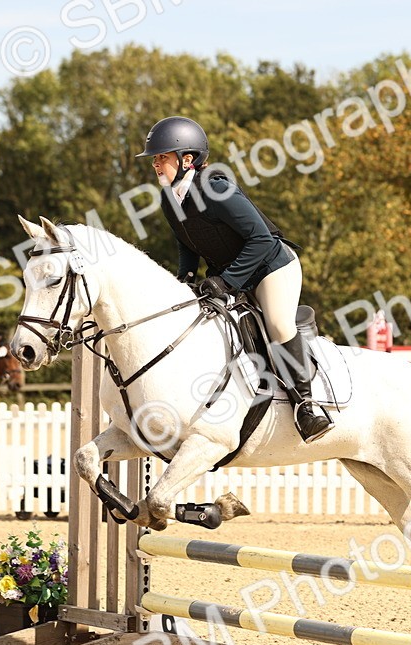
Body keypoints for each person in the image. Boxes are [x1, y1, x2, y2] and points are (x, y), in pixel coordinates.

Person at [136, 116, 333, 443]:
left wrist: (226, 282)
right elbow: (187, 242)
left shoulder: (216, 189)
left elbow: (261, 240)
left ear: (188, 160)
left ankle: (307, 405)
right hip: (230, 273)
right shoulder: (170, 199)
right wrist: (184, 278)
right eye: (155, 158)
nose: (156, 164)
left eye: (162, 157)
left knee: (279, 325)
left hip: (271, 267)